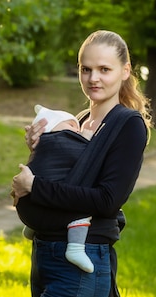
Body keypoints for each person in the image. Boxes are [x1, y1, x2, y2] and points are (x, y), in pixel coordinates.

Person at [0, 30, 152, 297]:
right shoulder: (72, 122)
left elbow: (108, 200)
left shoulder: (127, 126)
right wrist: (38, 155)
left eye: (105, 69)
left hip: (81, 270)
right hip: (46, 260)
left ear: (125, 71)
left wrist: (37, 186)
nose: (94, 78)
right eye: (86, 68)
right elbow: (56, 182)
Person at [20, 104, 94, 274]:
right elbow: (85, 154)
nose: (77, 129)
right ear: (51, 128)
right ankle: (75, 249)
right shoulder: (60, 141)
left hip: (27, 209)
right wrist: (87, 139)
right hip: (54, 210)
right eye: (71, 125)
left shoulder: (45, 145)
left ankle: (33, 225)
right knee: (82, 207)